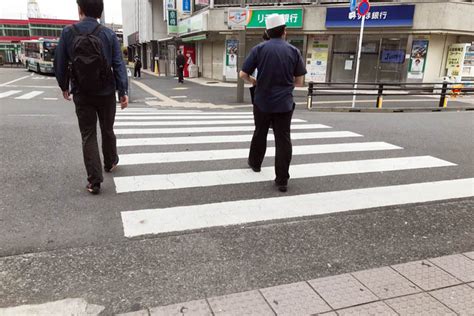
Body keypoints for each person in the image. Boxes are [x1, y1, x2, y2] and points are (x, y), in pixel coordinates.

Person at [54, 0, 128, 195]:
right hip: (106, 92)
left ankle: (94, 181)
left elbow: (59, 61)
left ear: (80, 9)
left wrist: (64, 85)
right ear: (99, 11)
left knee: (88, 135)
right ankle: (110, 162)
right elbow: (118, 64)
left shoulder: (68, 33)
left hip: (82, 92)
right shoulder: (109, 34)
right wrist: (123, 92)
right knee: (107, 128)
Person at [239, 14, 306, 193]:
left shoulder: (259, 49)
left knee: (260, 132)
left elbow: (243, 74)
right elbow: (299, 82)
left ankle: (255, 164)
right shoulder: (294, 51)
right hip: (284, 103)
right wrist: (285, 84)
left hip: (262, 101)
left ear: (267, 32)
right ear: (284, 31)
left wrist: (255, 81)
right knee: (283, 139)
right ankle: (282, 180)